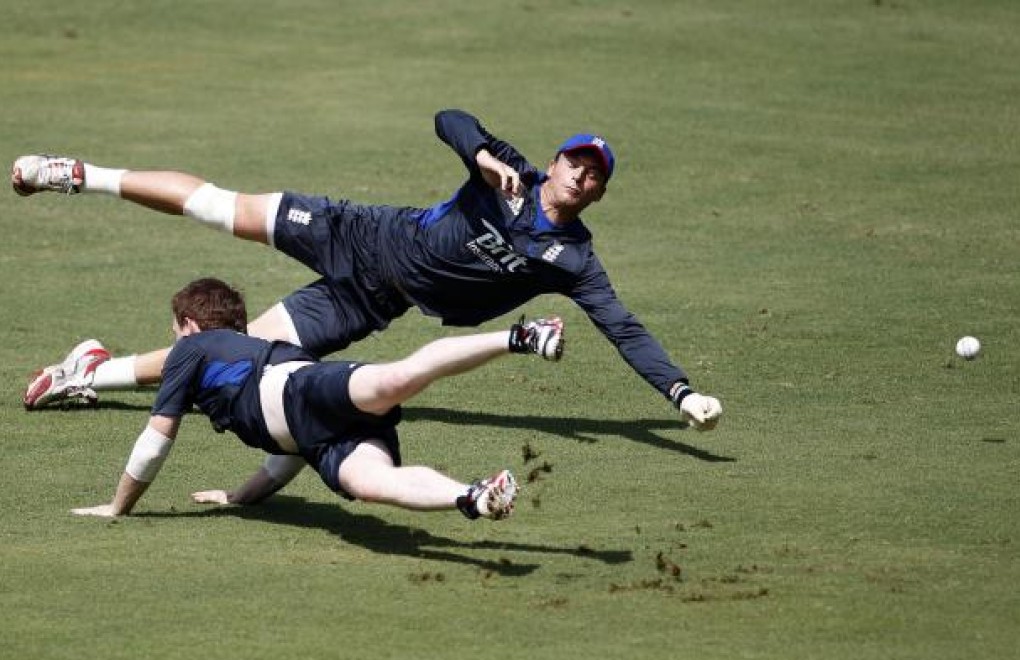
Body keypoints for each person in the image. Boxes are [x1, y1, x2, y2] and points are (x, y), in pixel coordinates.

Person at [12, 108, 722, 430]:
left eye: (595, 176)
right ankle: (75, 174)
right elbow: (451, 117)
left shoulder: (575, 260)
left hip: (371, 302)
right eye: (576, 162)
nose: (580, 177)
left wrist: (680, 393)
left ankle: (88, 370)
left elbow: (624, 329)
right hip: (353, 231)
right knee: (217, 207)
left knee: (231, 362)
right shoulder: (507, 168)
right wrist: (478, 153)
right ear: (559, 161)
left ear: (599, 189)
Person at [71, 277, 566, 519]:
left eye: (175, 328)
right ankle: (473, 495)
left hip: (304, 389)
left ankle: (521, 338)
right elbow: (286, 450)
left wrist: (118, 507)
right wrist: (238, 497)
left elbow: (156, 440)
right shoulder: (233, 351)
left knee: (393, 380)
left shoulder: (191, 349)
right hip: (318, 439)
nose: (173, 338)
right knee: (374, 484)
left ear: (192, 326)